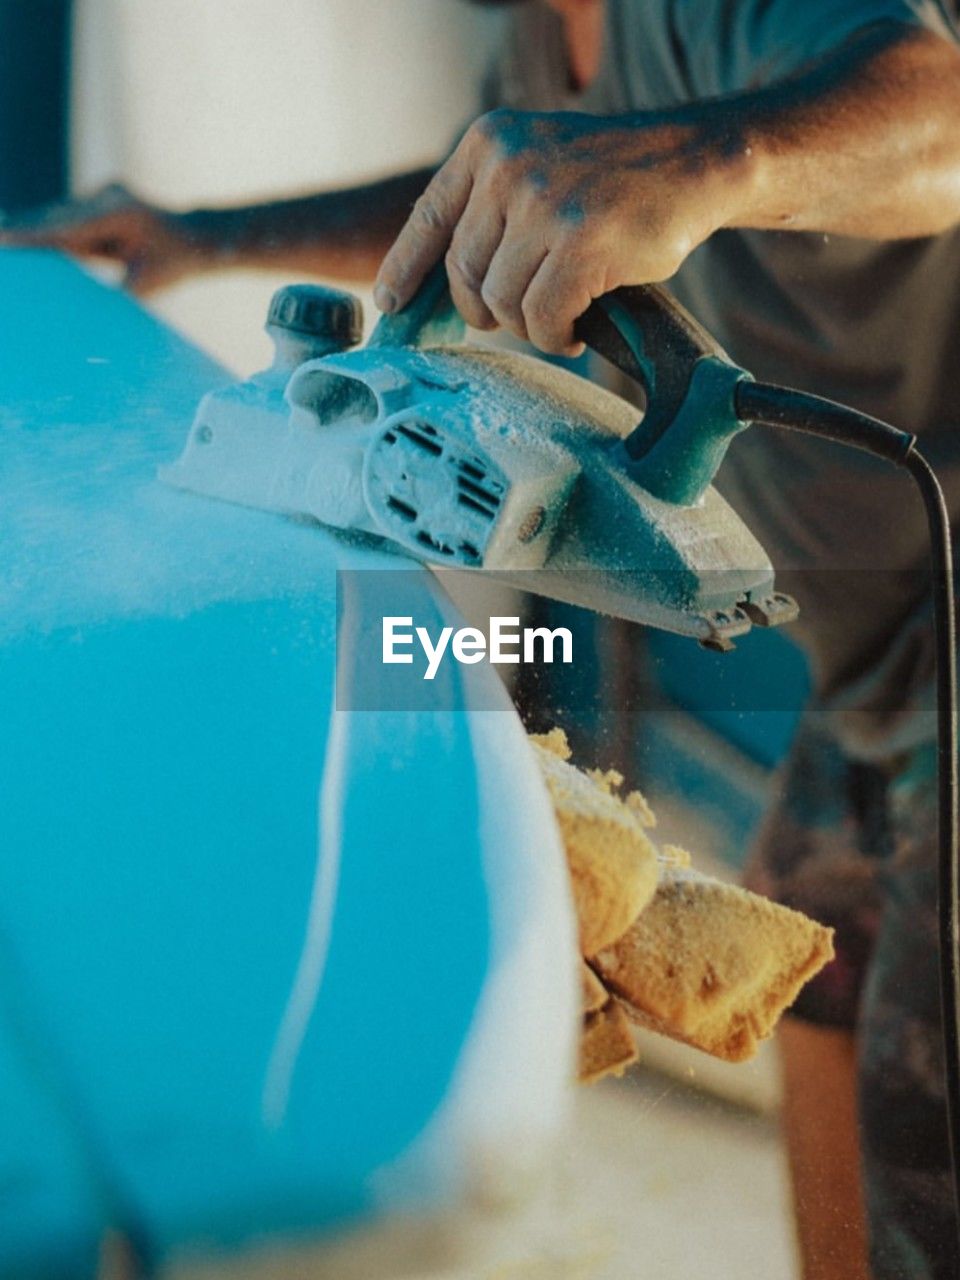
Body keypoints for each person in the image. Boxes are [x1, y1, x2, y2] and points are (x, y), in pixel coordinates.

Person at [6, 2, 960, 1275]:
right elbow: (483, 201)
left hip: (938, 637)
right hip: (863, 666)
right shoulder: (546, 32)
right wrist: (195, 240)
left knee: (924, 1132)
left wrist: (694, 164)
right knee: (806, 998)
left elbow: (940, 105)